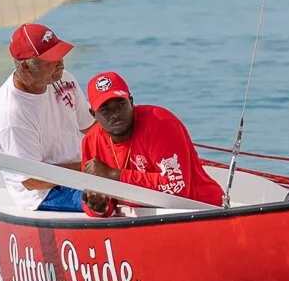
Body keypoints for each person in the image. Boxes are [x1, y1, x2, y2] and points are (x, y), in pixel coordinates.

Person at [80, 71, 224, 214]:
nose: (116, 114)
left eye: (121, 105)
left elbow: (176, 187)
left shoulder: (160, 122)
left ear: (131, 101)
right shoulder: (91, 142)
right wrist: (99, 207)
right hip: (144, 220)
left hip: (203, 211)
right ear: (93, 114)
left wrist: (113, 175)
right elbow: (95, 201)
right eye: (105, 110)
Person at [0, 23, 92, 213]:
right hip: (44, 192)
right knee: (106, 200)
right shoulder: (11, 115)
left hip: (80, 171)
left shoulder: (63, 78)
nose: (61, 62)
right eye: (51, 59)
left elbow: (90, 127)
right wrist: (90, 168)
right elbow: (32, 180)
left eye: (60, 54)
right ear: (27, 66)